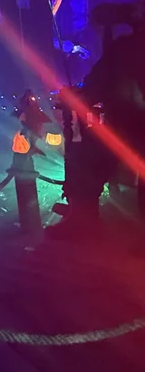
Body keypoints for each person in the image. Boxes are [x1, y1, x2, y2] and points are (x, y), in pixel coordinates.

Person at [47, 28, 145, 239]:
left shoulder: (126, 47)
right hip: (126, 122)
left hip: (129, 124)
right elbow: (100, 81)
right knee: (89, 157)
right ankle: (82, 214)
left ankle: (82, 217)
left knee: (88, 159)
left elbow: (100, 83)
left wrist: (82, 94)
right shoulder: (124, 46)